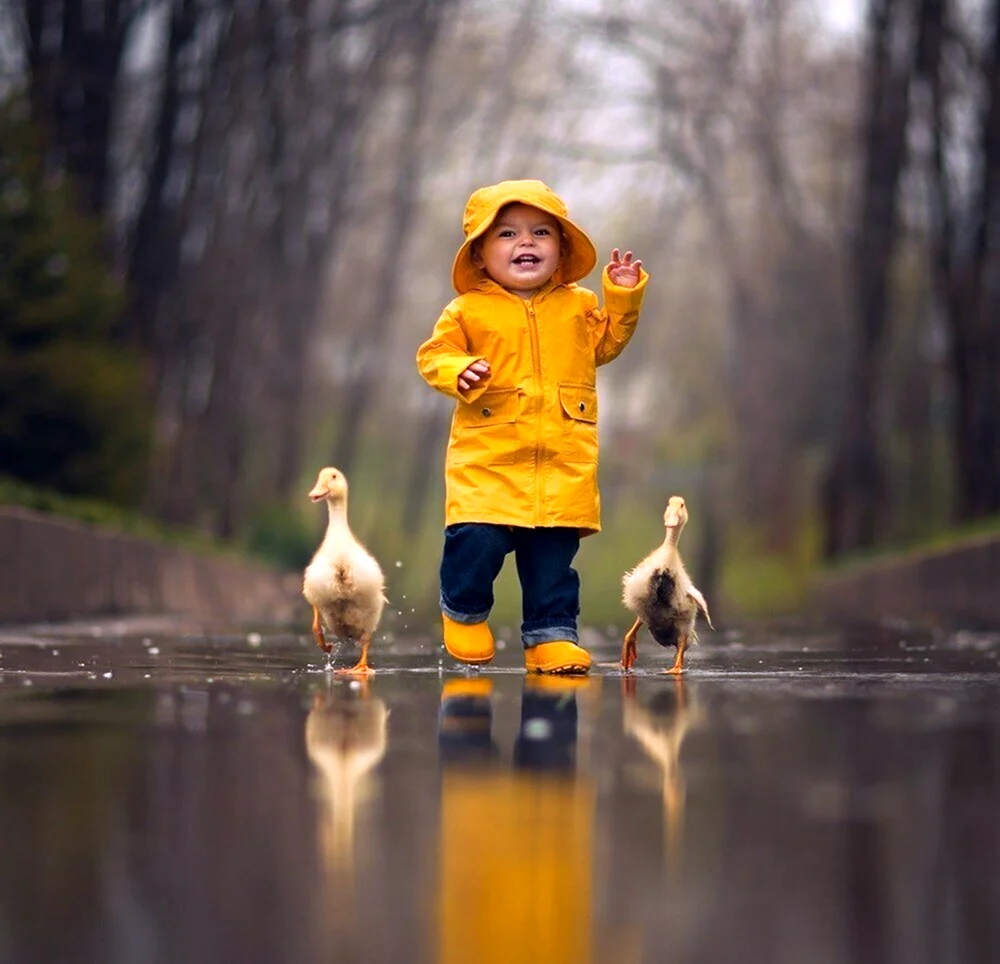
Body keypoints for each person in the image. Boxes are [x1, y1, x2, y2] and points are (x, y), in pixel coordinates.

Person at [416, 179, 647, 674]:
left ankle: (550, 637)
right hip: (488, 462)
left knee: (553, 562)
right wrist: (460, 370)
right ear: (479, 254)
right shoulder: (468, 310)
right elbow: (434, 355)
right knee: (475, 540)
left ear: (561, 249)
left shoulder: (578, 305)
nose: (526, 242)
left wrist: (622, 298)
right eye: (507, 234)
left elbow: (605, 344)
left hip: (562, 463)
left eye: (541, 232)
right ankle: (464, 609)